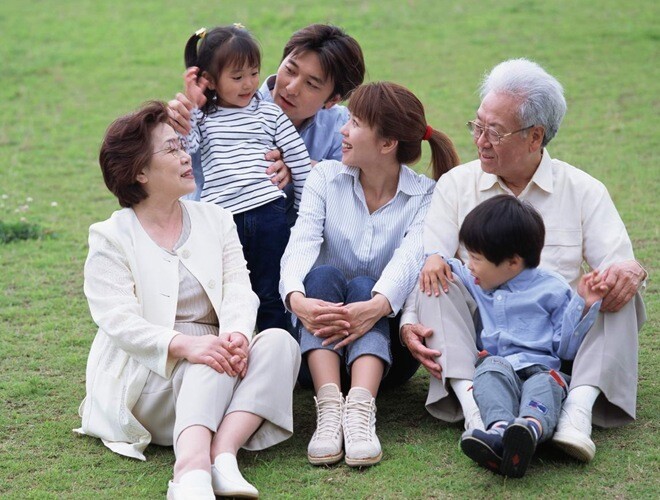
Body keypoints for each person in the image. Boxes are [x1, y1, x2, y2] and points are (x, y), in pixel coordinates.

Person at [400, 58, 647, 463]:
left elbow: (619, 263)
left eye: (495, 132)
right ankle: (474, 408)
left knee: (621, 288)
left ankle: (576, 411)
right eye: (478, 126)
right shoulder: (456, 185)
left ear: (535, 137)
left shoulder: (583, 189)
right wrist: (410, 319)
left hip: (561, 340)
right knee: (438, 273)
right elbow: (431, 262)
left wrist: (629, 271)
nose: (481, 141)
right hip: (485, 345)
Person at [74, 102, 301, 499]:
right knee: (207, 358)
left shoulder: (216, 218)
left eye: (182, 146)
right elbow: (117, 321)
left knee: (280, 343)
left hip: (218, 360)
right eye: (171, 149)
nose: (185, 156)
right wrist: (185, 345)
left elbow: (238, 289)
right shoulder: (110, 236)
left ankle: (222, 456)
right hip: (148, 382)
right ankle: (188, 473)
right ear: (140, 172)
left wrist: (236, 335)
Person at [280, 82, 460, 467]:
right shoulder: (325, 177)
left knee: (366, 286)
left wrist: (375, 307)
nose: (343, 130)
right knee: (323, 276)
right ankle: (329, 411)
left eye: (356, 123)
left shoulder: (426, 196)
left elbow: (408, 261)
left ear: (387, 143)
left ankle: (361, 412)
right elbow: (301, 242)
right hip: (317, 349)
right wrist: (297, 301)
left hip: (388, 358)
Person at [432, 195, 608, 477]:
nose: (469, 265)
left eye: (476, 258)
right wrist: (435, 259)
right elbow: (448, 266)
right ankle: (499, 431)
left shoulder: (552, 289)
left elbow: (566, 349)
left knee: (545, 385)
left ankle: (528, 430)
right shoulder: (477, 280)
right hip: (499, 365)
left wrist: (583, 304)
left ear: (513, 262)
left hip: (541, 368)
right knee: (488, 374)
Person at [175, 24, 311, 332]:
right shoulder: (203, 118)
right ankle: (231, 350)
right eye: (237, 77)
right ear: (210, 80)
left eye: (254, 73)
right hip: (221, 221)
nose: (249, 83)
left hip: (268, 214)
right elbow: (187, 147)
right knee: (228, 294)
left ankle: (279, 351)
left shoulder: (269, 113)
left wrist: (301, 212)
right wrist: (192, 105)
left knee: (271, 292)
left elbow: (299, 159)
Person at [169, 23, 365, 202]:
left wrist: (303, 168)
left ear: (332, 100)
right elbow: (174, 165)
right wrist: (176, 127)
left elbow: (363, 184)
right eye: (290, 70)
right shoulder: (213, 111)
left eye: (311, 84)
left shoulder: (343, 125)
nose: (291, 88)